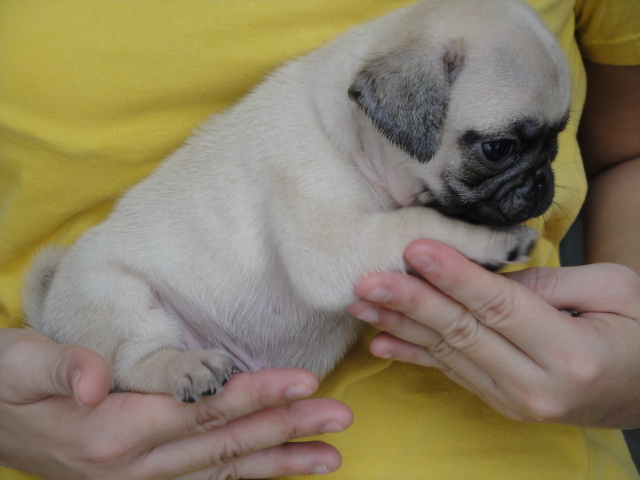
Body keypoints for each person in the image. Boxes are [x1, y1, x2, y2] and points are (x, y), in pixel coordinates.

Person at [0, 0, 638, 479]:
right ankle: (149, 361)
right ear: (404, 115)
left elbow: (628, 150)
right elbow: (325, 271)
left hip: (519, 458)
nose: (536, 178)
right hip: (109, 354)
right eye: (497, 150)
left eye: (551, 142)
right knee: (101, 278)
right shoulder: (303, 133)